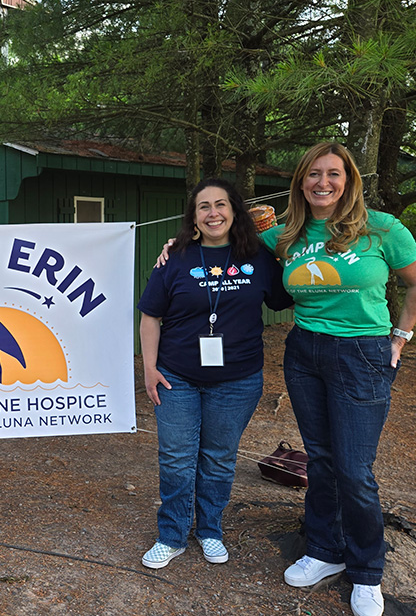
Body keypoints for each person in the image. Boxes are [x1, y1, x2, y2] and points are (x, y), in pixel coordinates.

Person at [262, 143, 416, 616]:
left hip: (363, 354)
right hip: (304, 351)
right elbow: (215, 239)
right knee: (322, 461)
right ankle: (324, 551)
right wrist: (173, 245)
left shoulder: (382, 228)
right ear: (300, 182)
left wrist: (401, 335)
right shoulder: (286, 234)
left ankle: (367, 569)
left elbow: (415, 282)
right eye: (313, 174)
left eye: (333, 173)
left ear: (348, 179)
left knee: (354, 469)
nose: (322, 182)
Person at [137, 178, 292, 570]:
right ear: (193, 217)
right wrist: (150, 368)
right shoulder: (175, 258)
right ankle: (171, 535)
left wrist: (287, 252)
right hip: (177, 376)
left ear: (235, 211)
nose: (213, 213)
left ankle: (209, 530)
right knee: (176, 458)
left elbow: (285, 296)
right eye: (203, 207)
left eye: (221, 204)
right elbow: (151, 316)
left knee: (219, 459)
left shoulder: (258, 257)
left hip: (237, 380)